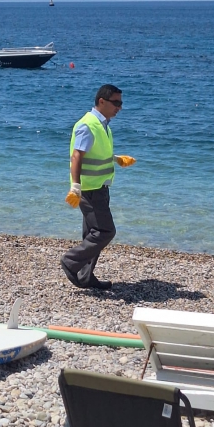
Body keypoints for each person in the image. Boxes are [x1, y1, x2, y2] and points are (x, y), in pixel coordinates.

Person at [61, 84, 136, 291]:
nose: (119, 107)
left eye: (121, 103)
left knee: (91, 233)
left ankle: (85, 277)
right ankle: (70, 261)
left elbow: (93, 152)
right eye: (116, 102)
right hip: (90, 190)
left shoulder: (103, 124)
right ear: (101, 101)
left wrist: (116, 159)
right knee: (104, 231)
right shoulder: (88, 124)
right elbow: (77, 155)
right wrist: (75, 186)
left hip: (100, 187)